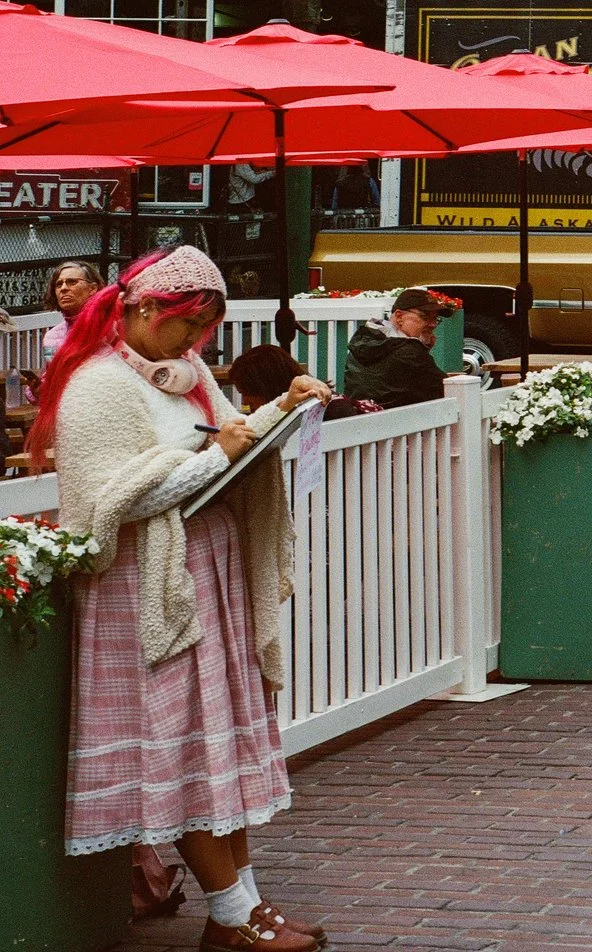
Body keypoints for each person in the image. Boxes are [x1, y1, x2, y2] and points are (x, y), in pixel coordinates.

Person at [31, 246, 332, 952]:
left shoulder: (185, 373)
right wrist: (216, 458)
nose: (197, 343)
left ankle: (244, 910)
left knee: (216, 748)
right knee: (189, 750)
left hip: (202, 572)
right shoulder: (99, 385)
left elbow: (228, 442)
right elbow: (111, 505)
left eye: (204, 329)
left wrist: (282, 410)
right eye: (187, 326)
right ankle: (233, 914)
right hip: (146, 587)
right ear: (141, 310)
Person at [340, 288, 450, 409]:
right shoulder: (410, 353)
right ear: (399, 316)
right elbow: (446, 389)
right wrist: (421, 350)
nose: (433, 324)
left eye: (435, 319)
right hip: (402, 425)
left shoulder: (363, 342)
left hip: (358, 419)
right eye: (425, 317)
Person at [43, 259, 102, 361]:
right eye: (59, 284)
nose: (63, 288)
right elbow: (51, 373)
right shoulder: (51, 337)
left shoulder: (110, 329)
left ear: (92, 288)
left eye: (72, 282)